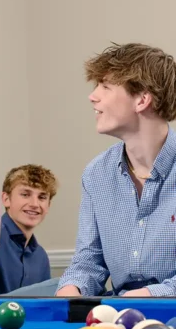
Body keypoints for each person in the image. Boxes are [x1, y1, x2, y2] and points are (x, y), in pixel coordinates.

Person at [57, 42, 176, 297]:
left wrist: (149, 294)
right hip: (116, 321)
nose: (93, 96)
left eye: (106, 87)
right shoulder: (96, 174)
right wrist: (72, 290)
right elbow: (89, 261)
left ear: (142, 99)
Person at [0, 164, 58, 296]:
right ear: (6, 199)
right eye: (25, 194)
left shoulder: (41, 257)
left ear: (48, 205)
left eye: (42, 197)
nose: (34, 204)